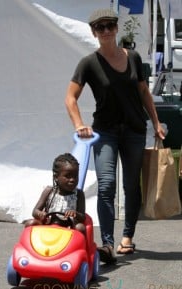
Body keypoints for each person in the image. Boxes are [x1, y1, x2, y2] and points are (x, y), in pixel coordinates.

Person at [65, 8, 165, 263]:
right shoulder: (88, 63)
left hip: (134, 130)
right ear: (94, 32)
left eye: (110, 25)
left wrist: (156, 122)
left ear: (117, 28)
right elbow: (70, 98)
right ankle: (108, 245)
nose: (107, 30)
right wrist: (79, 124)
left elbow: (144, 93)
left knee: (131, 186)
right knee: (107, 184)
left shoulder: (133, 57)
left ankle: (127, 238)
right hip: (105, 131)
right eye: (101, 27)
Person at [24, 153, 86, 234]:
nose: (72, 180)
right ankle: (29, 246)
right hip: (47, 225)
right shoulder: (49, 191)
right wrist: (40, 213)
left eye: (75, 176)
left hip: (69, 228)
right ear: (56, 177)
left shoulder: (79, 194)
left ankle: (82, 246)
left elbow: (82, 217)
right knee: (30, 223)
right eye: (68, 176)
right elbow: (35, 211)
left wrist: (75, 214)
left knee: (80, 227)